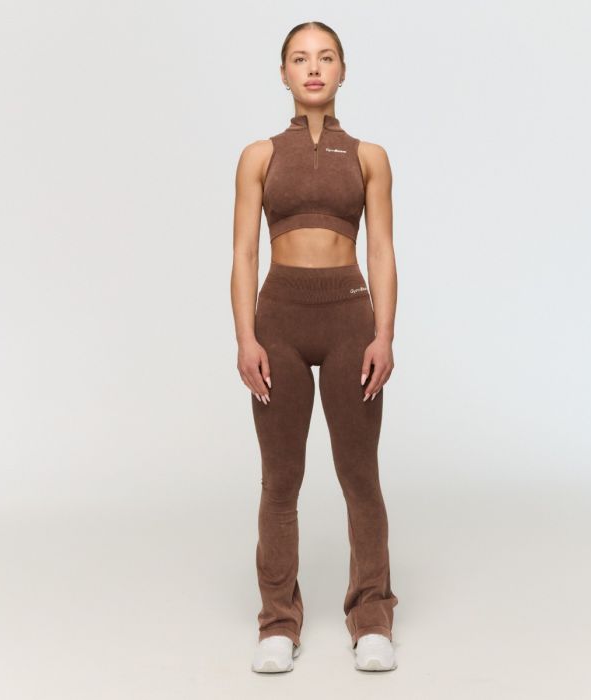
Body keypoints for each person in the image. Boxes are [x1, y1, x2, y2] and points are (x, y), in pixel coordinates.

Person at [231, 21, 399, 673]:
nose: (313, 68)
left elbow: (380, 249)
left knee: (360, 475)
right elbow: (244, 252)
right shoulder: (259, 155)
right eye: (300, 59)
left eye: (326, 57)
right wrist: (246, 336)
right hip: (279, 319)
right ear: (283, 74)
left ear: (343, 70)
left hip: (349, 318)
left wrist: (384, 333)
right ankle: (278, 622)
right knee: (281, 479)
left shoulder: (369, 156)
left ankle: (372, 618)